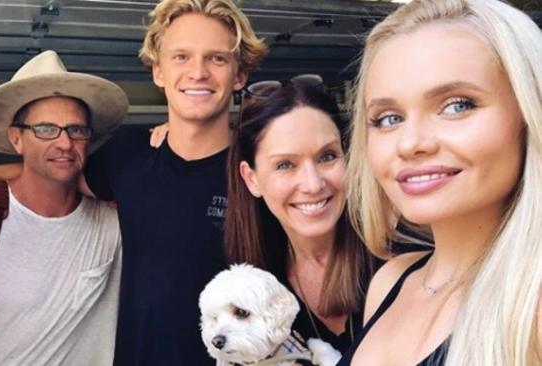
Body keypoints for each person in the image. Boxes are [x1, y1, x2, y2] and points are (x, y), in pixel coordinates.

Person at [340, 0, 542, 364]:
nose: (410, 143)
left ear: (529, 114)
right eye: (387, 118)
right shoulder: (391, 281)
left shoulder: (532, 306)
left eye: (457, 105)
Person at [81, 0, 267, 364]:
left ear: (239, 74)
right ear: (158, 71)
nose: (197, 72)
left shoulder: (261, 170)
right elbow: (49, 185)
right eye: (181, 56)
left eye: (216, 58)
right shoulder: (126, 156)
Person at [0, 50, 127, 365]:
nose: (65, 143)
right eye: (45, 129)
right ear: (16, 139)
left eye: (76, 130)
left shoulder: (114, 223)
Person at [225, 77, 376, 354]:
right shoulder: (253, 287)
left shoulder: (399, 260)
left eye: (327, 156)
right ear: (251, 179)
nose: (313, 184)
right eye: (285, 165)